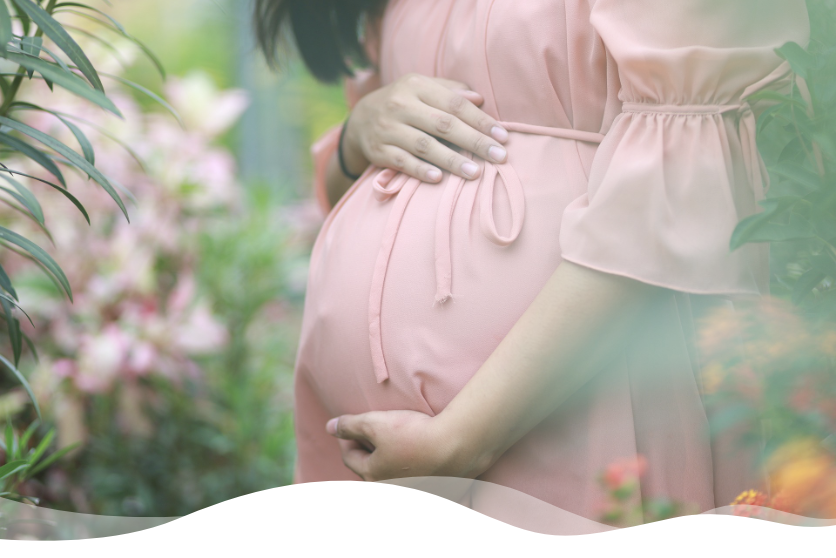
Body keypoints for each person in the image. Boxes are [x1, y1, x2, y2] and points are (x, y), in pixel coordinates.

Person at [254, 0, 810, 530]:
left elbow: (684, 195)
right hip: (378, 469)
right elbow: (348, 187)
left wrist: (461, 442)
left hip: (583, 396)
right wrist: (358, 132)